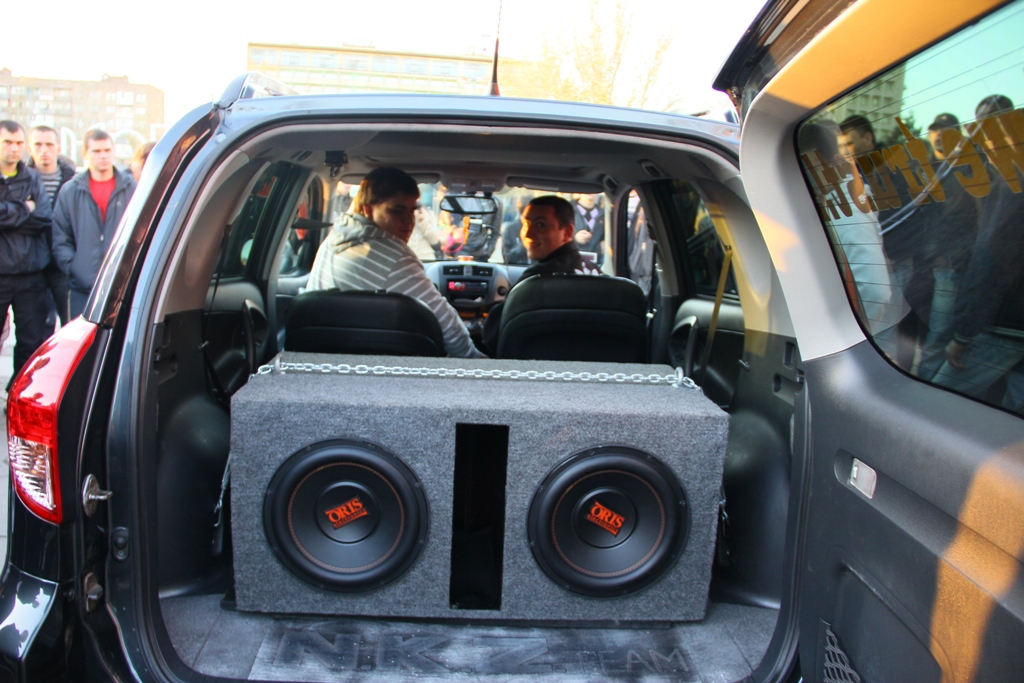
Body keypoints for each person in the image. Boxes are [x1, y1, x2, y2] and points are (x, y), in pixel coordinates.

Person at [306, 167, 484, 358]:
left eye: (412, 211)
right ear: (368, 209)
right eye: (397, 211)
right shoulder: (395, 258)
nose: (409, 220)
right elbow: (446, 325)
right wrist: (475, 362)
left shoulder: (332, 240)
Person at [932, 96, 1024, 410]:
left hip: (1004, 323)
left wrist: (964, 334)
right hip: (1012, 321)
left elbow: (991, 260)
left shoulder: (1011, 180)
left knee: (938, 404)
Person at [481, 195, 601, 354]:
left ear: (567, 232)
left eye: (540, 225)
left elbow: (493, 337)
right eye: (525, 224)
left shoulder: (536, 281)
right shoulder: (596, 274)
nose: (528, 234)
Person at [52, 129, 137, 318]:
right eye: (96, 151)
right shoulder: (70, 191)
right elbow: (61, 237)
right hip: (82, 288)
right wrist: (74, 268)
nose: (103, 156)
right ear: (85, 153)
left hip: (123, 286)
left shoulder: (132, 190)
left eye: (107, 150)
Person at [0, 120, 55, 389]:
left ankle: (17, 393)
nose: (14, 148)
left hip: (30, 275)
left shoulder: (31, 177)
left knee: (31, 342)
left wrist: (7, 215)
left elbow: (43, 216)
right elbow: (32, 214)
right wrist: (24, 208)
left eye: (19, 143)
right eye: (7, 142)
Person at [27, 125, 75, 328]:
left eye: (49, 144)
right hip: (30, 265)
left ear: (58, 148)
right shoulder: (22, 179)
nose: (43, 150)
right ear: (29, 148)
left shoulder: (72, 181)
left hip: (62, 266)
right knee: (36, 331)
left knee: (70, 325)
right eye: (38, 145)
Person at [571, 193, 605, 265]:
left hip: (597, 263)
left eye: (593, 189)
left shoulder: (604, 214)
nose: (590, 192)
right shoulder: (568, 211)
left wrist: (607, 243)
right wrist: (574, 238)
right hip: (571, 261)